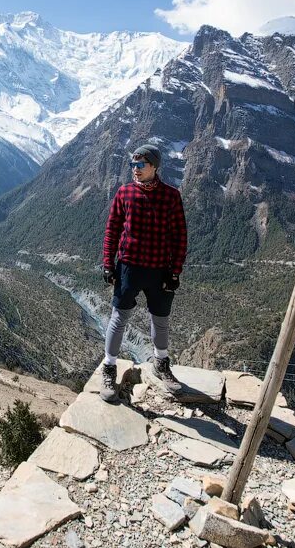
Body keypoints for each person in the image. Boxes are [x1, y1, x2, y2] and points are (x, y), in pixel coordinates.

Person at [100, 144, 188, 402]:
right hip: (128, 267)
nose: (135, 170)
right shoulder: (124, 193)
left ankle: (161, 363)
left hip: (160, 269)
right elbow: (112, 229)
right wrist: (108, 263)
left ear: (154, 167)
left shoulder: (171, 196)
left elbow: (179, 236)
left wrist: (175, 271)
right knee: (119, 317)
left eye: (141, 165)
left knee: (160, 319)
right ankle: (109, 367)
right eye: (133, 165)